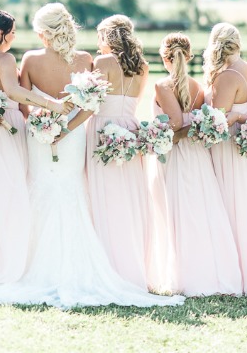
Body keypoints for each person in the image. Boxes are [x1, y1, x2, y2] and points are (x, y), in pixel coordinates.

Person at [0, 4, 182, 308]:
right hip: (74, 134)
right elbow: (89, 104)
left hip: (39, 133)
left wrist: (43, 124)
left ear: (44, 32)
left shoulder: (29, 59)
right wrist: (65, 126)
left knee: (39, 187)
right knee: (74, 190)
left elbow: (23, 104)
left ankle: (28, 264)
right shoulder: (86, 60)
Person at [0, 9, 71, 283]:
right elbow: (13, 92)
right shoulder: (4, 58)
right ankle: (9, 259)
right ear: (0, 33)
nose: (14, 38)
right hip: (3, 129)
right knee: (11, 193)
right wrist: (51, 105)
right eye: (13, 32)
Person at [85, 15, 169, 291]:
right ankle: (133, 266)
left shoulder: (103, 63)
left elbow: (91, 103)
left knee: (103, 197)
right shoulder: (142, 66)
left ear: (106, 36)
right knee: (130, 199)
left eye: (99, 36)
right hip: (131, 131)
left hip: (102, 130)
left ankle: (109, 265)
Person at [155, 33, 241, 296]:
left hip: (177, 156)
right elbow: (193, 124)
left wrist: (153, 138)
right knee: (201, 211)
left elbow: (176, 126)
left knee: (180, 212)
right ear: (189, 56)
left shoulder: (162, 86)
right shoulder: (198, 89)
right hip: (198, 156)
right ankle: (209, 270)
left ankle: (187, 276)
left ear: (164, 57)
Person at [203, 23, 247, 295]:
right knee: (246, 208)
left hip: (228, 146)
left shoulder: (227, 76)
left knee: (229, 209)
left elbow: (216, 119)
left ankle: (233, 274)